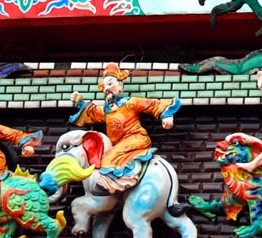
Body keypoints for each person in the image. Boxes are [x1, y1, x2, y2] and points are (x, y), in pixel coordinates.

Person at [68, 62, 181, 192]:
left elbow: (152, 105)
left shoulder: (130, 103)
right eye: (104, 87)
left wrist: (166, 116)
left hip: (135, 138)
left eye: (110, 84)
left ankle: (114, 184)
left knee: (111, 157)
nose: (107, 89)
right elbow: (93, 113)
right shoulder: (107, 110)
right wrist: (81, 102)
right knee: (105, 156)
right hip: (120, 143)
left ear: (120, 84)